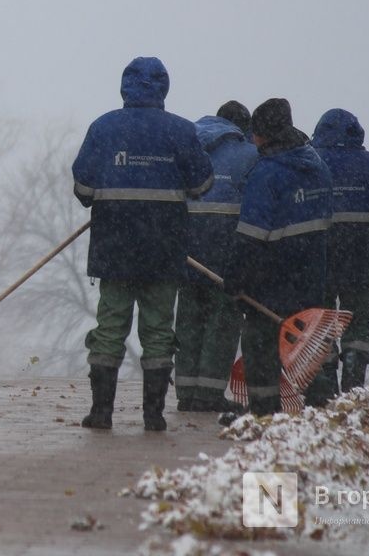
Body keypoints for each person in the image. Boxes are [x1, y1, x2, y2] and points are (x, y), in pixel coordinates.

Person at [71, 56, 213, 431]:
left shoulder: (103, 128)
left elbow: (83, 187)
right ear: (165, 88)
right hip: (163, 250)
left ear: (124, 86)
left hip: (113, 248)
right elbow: (201, 186)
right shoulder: (182, 132)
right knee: (158, 331)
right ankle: (153, 416)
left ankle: (101, 412)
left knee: (110, 325)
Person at [224, 98, 333, 417]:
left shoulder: (267, 174)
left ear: (264, 135)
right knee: (308, 344)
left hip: (269, 282)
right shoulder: (316, 167)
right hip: (311, 277)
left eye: (255, 134)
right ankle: (325, 407)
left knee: (259, 345)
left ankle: (264, 414)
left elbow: (251, 237)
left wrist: (235, 279)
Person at [303, 108, 369, 403]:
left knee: (321, 319)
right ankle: (353, 379)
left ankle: (323, 381)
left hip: (318, 257)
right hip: (360, 259)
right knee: (358, 319)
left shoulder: (310, 163)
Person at [174, 101, 258, 413]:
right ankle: (208, 394)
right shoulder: (250, 156)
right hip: (226, 252)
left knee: (189, 319)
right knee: (223, 321)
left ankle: (185, 391)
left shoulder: (188, 147)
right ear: (243, 129)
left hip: (187, 251)